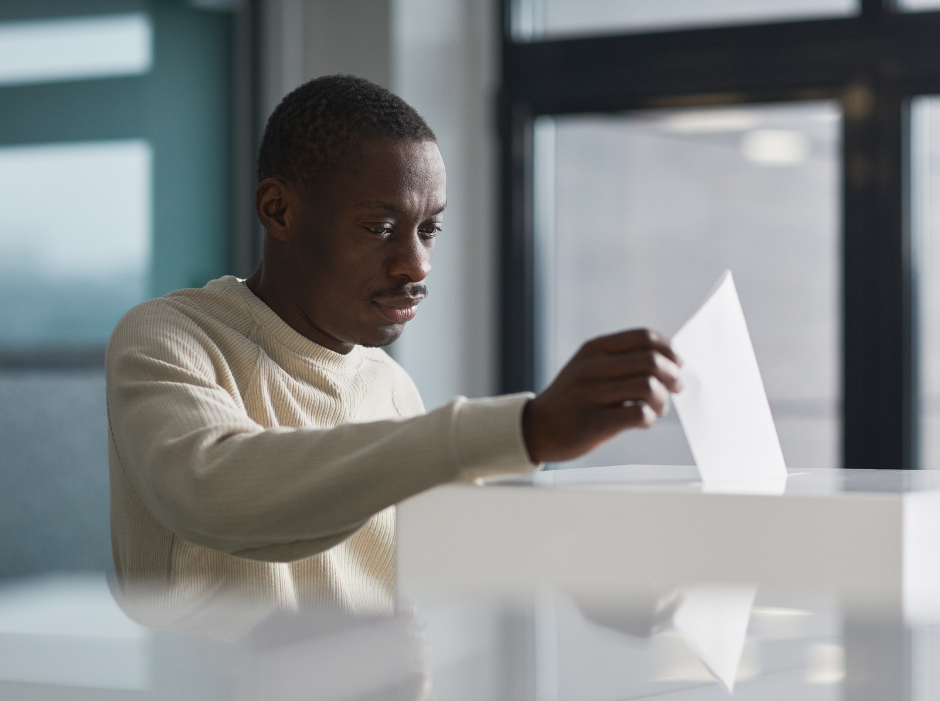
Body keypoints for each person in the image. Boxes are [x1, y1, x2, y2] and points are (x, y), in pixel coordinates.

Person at [106, 75, 681, 620]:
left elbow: (455, 560)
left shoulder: (389, 385)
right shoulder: (171, 336)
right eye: (380, 227)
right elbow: (214, 491)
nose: (417, 264)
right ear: (278, 210)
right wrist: (525, 428)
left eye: (428, 228)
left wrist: (590, 580)